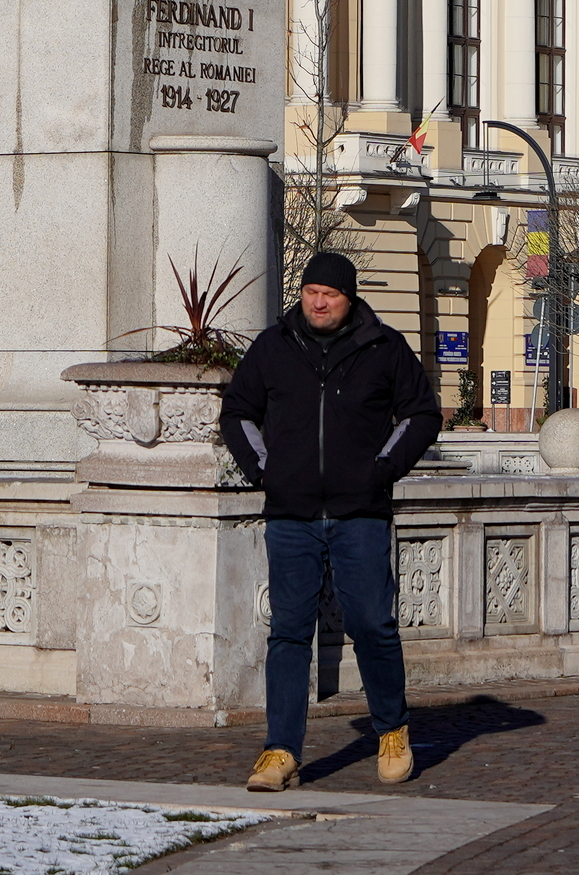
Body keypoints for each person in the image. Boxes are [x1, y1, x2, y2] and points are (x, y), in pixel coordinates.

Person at [221, 251, 441, 793]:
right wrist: (264, 470)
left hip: (360, 512)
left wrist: (383, 469)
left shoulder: (384, 347)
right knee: (288, 634)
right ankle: (280, 751)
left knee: (372, 624)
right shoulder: (273, 346)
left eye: (331, 294)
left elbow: (423, 414)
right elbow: (237, 411)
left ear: (350, 299)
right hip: (291, 514)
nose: (319, 302)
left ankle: (391, 730)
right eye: (311, 291)